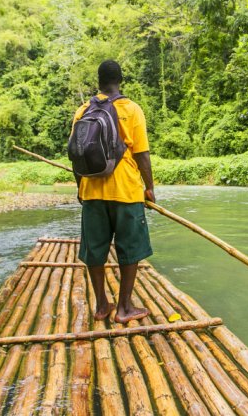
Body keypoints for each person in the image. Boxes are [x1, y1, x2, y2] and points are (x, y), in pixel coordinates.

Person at [72, 60, 155, 324]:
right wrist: (150, 187)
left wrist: (80, 188)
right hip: (126, 191)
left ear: (98, 81)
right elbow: (141, 154)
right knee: (129, 248)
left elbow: (77, 155)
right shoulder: (131, 109)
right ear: (120, 81)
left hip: (92, 191)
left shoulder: (83, 110)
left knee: (94, 249)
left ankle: (100, 306)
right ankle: (124, 307)